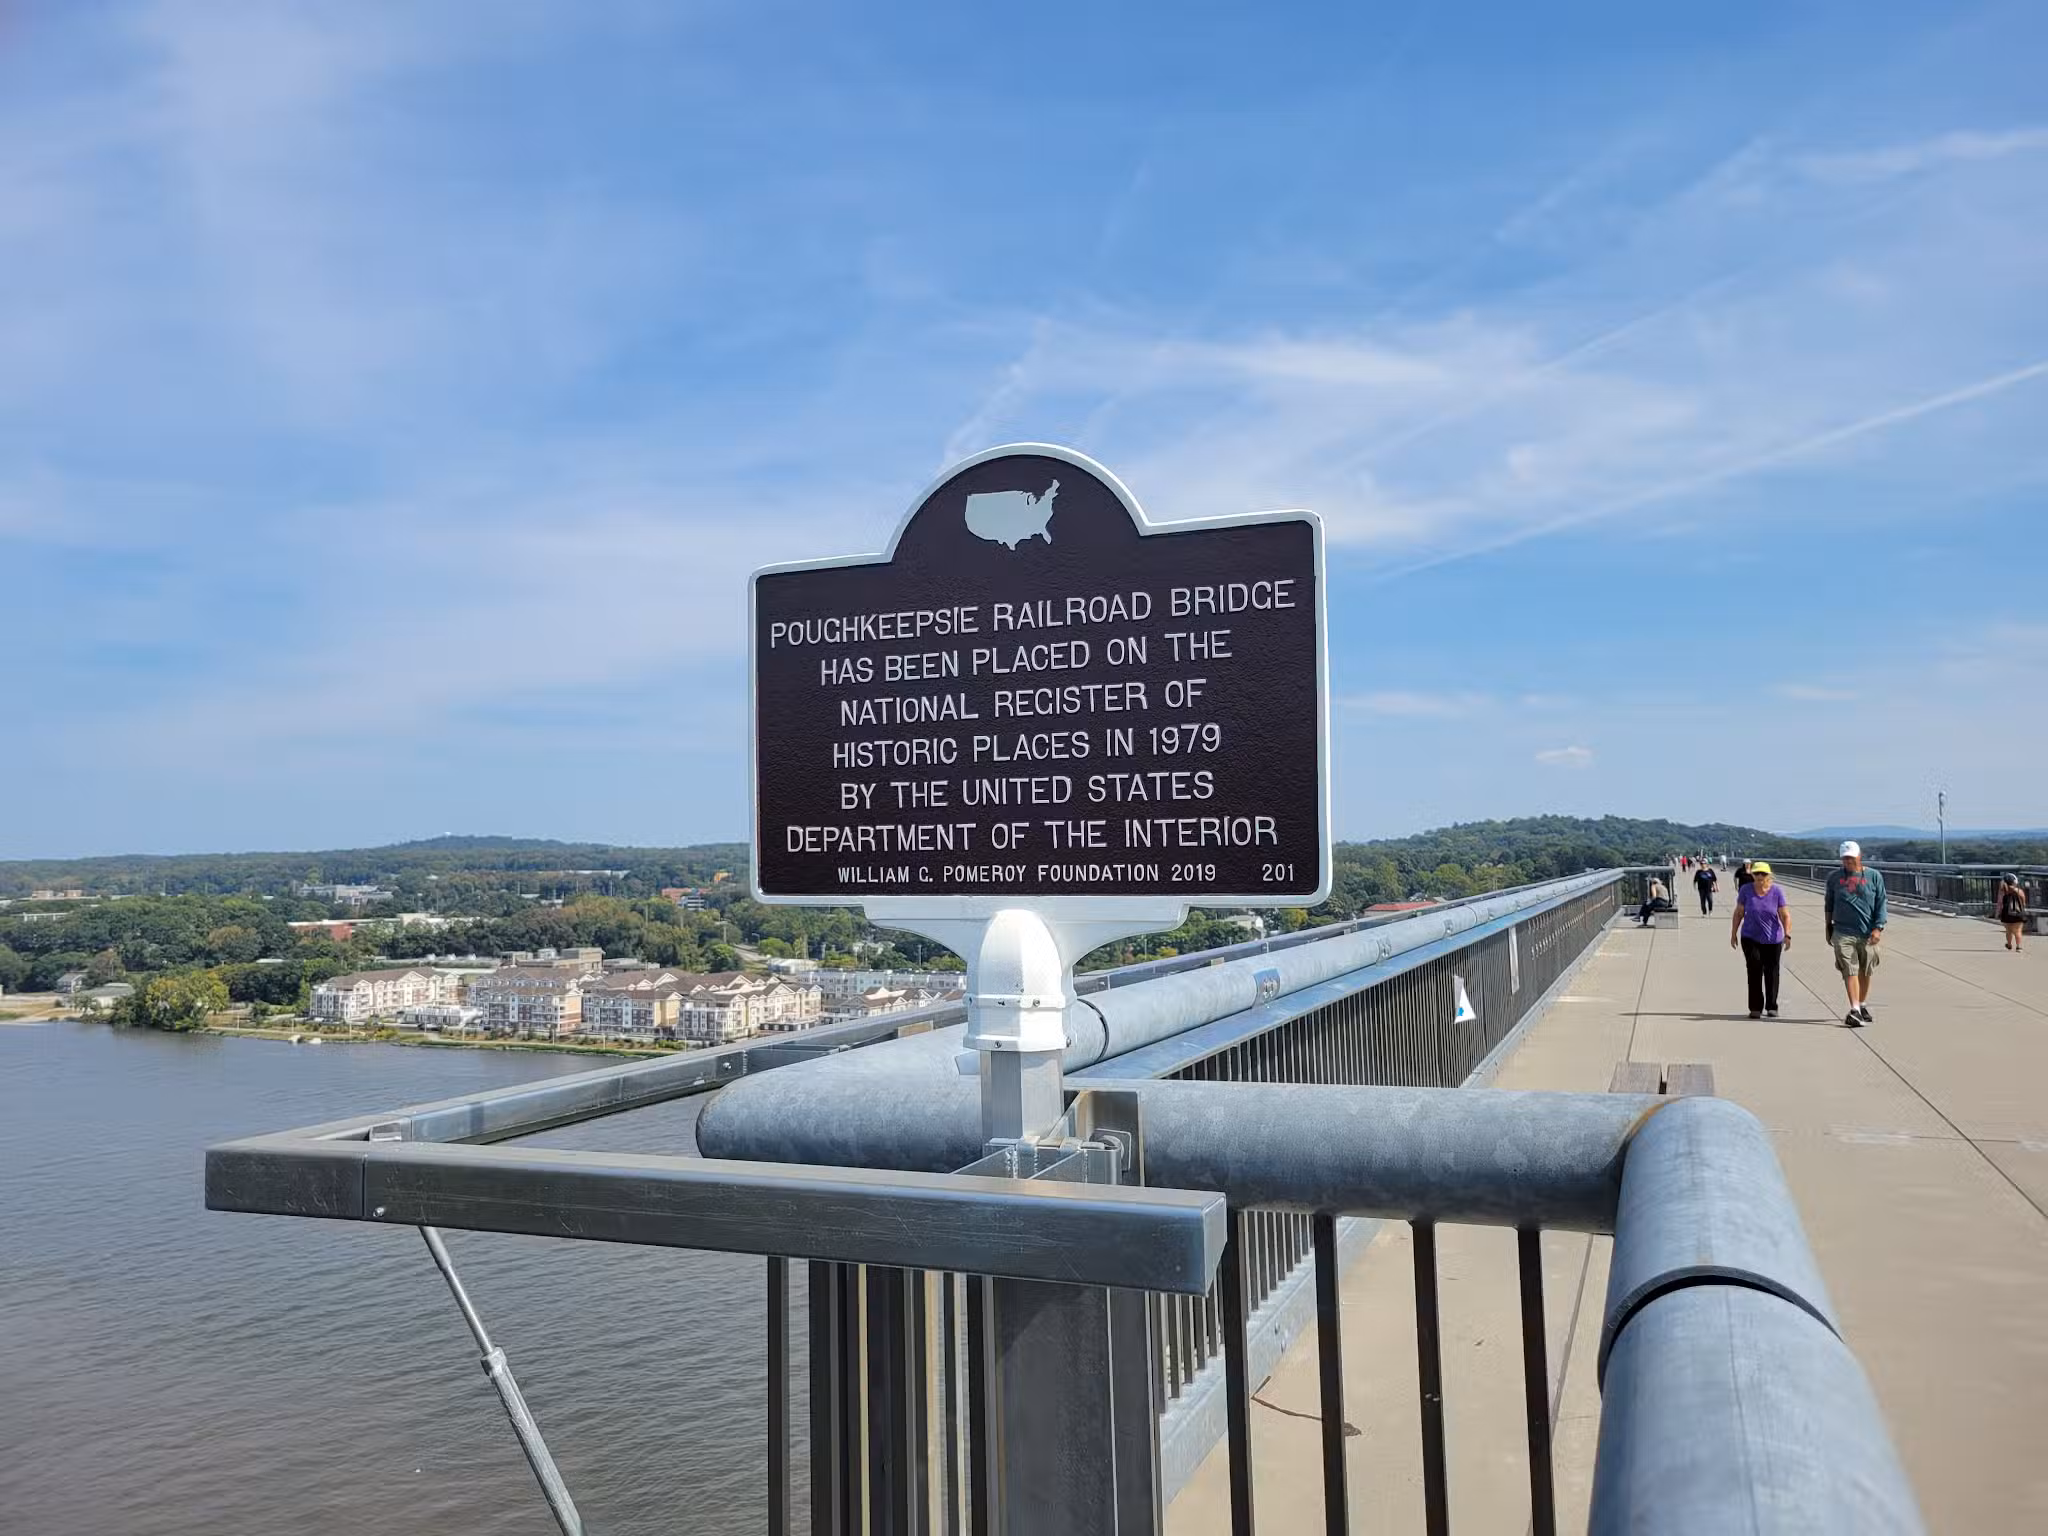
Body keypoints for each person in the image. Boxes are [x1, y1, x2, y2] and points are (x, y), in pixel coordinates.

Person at [1824, 840, 1887, 1027]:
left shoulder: (1874, 876)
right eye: (1845, 859)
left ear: (1860, 856)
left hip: (1868, 931)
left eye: (1851, 858)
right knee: (1849, 970)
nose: (1848, 862)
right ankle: (1855, 1009)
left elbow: (1881, 903)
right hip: (1843, 930)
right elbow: (1829, 903)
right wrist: (1828, 926)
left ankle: (1861, 1003)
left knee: (1865, 971)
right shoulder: (1834, 877)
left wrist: (1878, 928)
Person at [1730, 861, 1791, 1018]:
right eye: (1756, 874)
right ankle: (1755, 1007)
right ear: (1752, 875)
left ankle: (1772, 1006)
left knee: (1771, 972)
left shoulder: (1777, 891)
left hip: (1773, 939)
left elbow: (1785, 915)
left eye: (1763, 874)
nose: (1759, 877)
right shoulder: (1746, 890)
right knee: (1754, 970)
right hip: (1750, 937)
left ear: (1769, 875)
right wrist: (1733, 933)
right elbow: (1738, 913)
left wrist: (1787, 934)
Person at [1996, 874, 2028, 952]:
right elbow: (2023, 902)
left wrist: (1997, 913)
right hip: (2018, 913)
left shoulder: (2003, 891)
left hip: (2007, 913)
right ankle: (2018, 947)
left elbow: (2000, 903)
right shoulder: (2019, 891)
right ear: (2015, 882)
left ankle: (2009, 944)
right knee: (2018, 930)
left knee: (2008, 930)